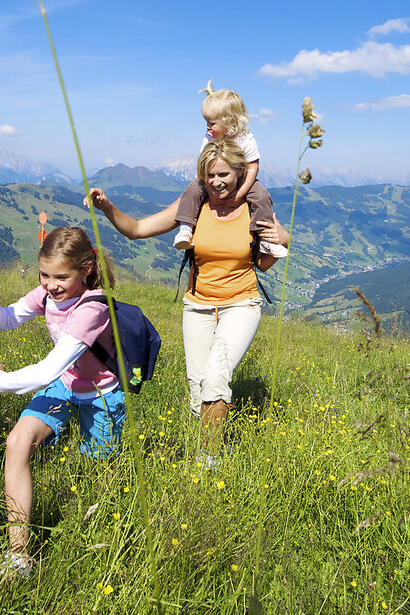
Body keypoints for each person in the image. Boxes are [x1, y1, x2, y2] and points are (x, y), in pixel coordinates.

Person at [88, 139, 288, 466]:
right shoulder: (193, 206)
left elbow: (264, 263)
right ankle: (211, 443)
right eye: (210, 175)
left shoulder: (254, 208)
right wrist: (106, 207)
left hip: (242, 302)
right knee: (198, 390)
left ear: (240, 173)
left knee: (215, 375)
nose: (216, 182)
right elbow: (137, 230)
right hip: (197, 307)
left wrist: (285, 239)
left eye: (224, 174)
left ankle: (210, 459)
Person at [0, 227, 124, 576]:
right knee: (17, 442)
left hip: (101, 395)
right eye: (44, 275)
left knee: (95, 473)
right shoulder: (48, 295)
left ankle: (95, 537)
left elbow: (47, 369)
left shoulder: (93, 308)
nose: (50, 284)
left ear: (86, 269)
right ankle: (18, 554)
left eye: (61, 277)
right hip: (65, 385)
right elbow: (7, 319)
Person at [172, 83, 284, 258]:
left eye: (212, 123)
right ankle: (185, 229)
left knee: (261, 196)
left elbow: (253, 167)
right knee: (192, 190)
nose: (207, 127)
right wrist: (205, 186)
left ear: (230, 121)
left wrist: (241, 192)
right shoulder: (210, 136)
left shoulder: (246, 138)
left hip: (244, 178)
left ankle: (266, 239)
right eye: (206, 122)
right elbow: (204, 162)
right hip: (213, 176)